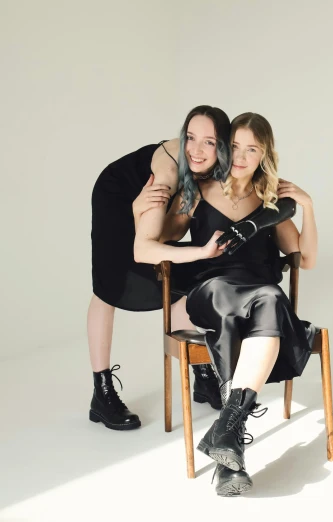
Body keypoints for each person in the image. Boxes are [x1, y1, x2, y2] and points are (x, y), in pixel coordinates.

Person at [134, 112, 318, 496]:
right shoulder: (197, 191)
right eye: (235, 146)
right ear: (224, 147)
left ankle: (229, 440)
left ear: (264, 154)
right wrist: (142, 209)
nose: (241, 156)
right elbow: (158, 243)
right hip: (211, 292)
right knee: (258, 298)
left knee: (270, 295)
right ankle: (229, 434)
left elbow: (307, 258)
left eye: (252, 149)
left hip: (260, 297)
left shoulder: (271, 201)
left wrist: (309, 207)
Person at [87, 106, 231, 430]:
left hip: (147, 212)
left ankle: (202, 375)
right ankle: (102, 393)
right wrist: (201, 250)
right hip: (119, 195)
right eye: (190, 137)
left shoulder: (219, 170)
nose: (195, 149)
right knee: (108, 286)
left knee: (181, 276)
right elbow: (144, 249)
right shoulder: (165, 175)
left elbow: (170, 235)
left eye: (208, 142)